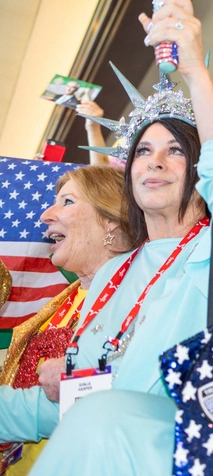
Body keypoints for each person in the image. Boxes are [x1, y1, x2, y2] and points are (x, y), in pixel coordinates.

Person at [0, 0, 213, 475]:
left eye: (175, 150)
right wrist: (62, 386)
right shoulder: (111, 275)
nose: (155, 161)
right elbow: (71, 403)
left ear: (202, 168)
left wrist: (195, 71)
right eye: (144, 150)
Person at [0, 166, 130, 474]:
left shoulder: (131, 300)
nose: (46, 214)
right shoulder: (69, 298)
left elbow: (78, 400)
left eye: (67, 202)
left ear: (110, 218)